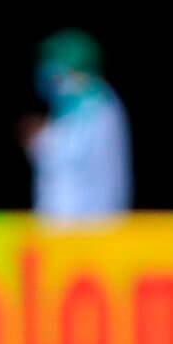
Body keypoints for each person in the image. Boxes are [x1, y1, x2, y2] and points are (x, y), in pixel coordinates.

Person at [24, 29, 129, 222]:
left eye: (58, 72)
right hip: (68, 225)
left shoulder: (95, 105)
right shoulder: (75, 107)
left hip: (87, 225)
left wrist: (39, 138)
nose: (53, 80)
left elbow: (62, 155)